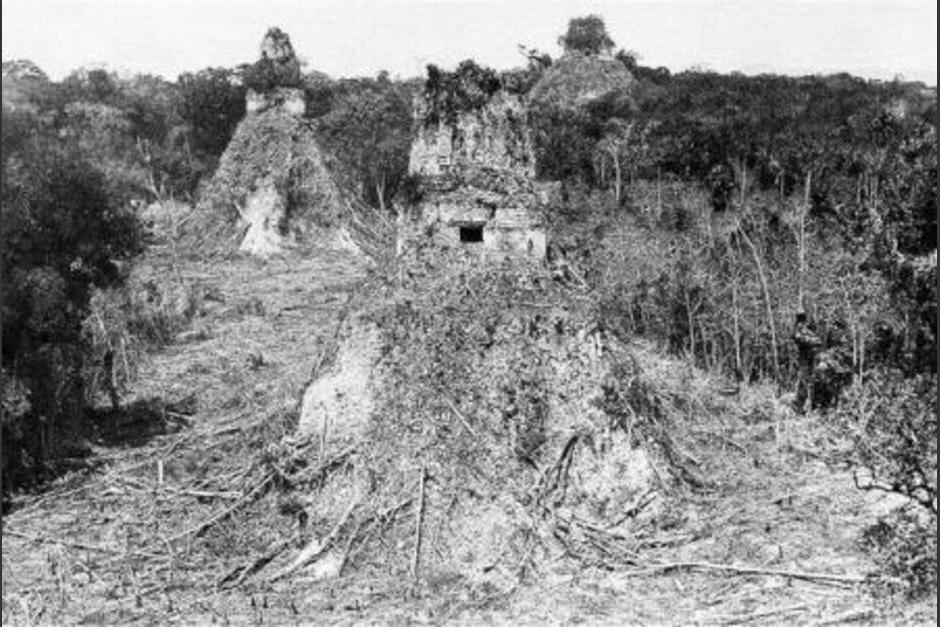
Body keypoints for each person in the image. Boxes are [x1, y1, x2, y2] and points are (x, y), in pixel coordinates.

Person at [792, 309, 822, 414]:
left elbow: (817, 339)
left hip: (810, 358)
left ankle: (808, 406)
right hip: (803, 359)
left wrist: (814, 340)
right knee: (803, 382)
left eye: (803, 317)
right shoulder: (798, 328)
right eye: (801, 317)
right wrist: (812, 341)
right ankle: (799, 407)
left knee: (811, 381)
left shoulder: (805, 329)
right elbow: (799, 338)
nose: (802, 319)